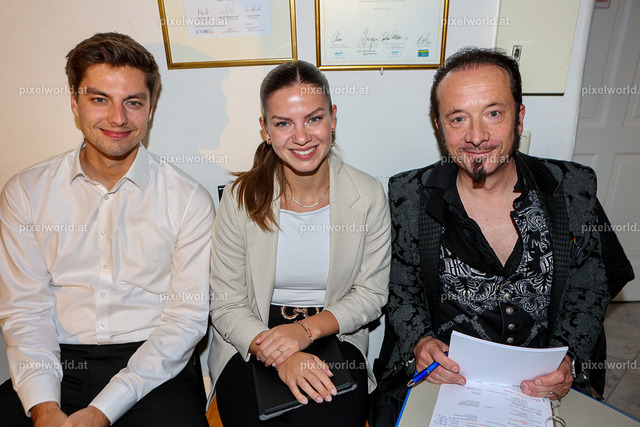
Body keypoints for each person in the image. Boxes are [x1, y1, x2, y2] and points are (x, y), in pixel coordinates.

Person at [376, 47, 622, 423]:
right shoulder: (408, 195)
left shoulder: (571, 188)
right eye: (459, 118)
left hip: (543, 385)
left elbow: (589, 289)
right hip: (445, 382)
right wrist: (421, 343)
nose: (477, 136)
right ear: (440, 128)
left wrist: (569, 358)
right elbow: (401, 290)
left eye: (493, 113)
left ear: (518, 118)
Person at [0, 32, 214, 426]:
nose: (118, 118)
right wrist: (44, 407)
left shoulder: (188, 199)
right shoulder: (26, 192)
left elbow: (185, 321)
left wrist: (103, 410)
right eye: (100, 99)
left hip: (154, 362)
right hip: (56, 358)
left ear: (150, 109)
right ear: (74, 101)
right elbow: (25, 311)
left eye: (133, 102)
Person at [208, 60, 391, 426]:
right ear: (265, 129)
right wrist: (282, 354)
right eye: (283, 123)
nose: (302, 137)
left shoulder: (368, 195)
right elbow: (226, 302)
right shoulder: (240, 198)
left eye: (313, 119)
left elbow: (371, 295)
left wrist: (304, 332)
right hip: (253, 333)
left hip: (333, 330)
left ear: (333, 118)